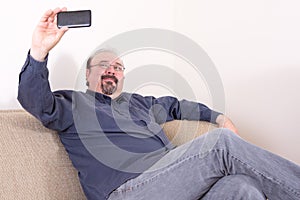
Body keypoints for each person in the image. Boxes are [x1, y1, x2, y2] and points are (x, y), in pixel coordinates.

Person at [17, 8, 300, 200]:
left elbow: (180, 106)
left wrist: (220, 117)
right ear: (88, 74)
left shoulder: (139, 104)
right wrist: (39, 50)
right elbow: (36, 101)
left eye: (118, 67)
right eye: (103, 65)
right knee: (220, 144)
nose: (112, 70)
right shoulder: (72, 103)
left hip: (173, 180)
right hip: (128, 191)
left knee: (242, 188)